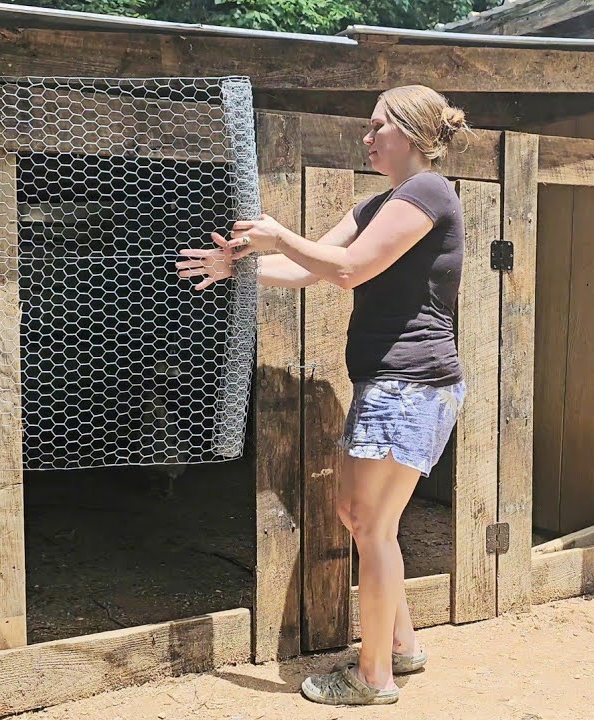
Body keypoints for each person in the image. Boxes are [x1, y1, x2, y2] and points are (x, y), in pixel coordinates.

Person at [175, 84, 470, 706]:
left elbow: (348, 269)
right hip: (390, 384)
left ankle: (373, 677)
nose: (367, 137)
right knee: (363, 518)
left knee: (371, 522)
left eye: (377, 126)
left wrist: (278, 237)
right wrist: (239, 266)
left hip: (410, 384)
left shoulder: (428, 192)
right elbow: (311, 268)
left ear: (410, 133)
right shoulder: (379, 204)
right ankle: (401, 646)